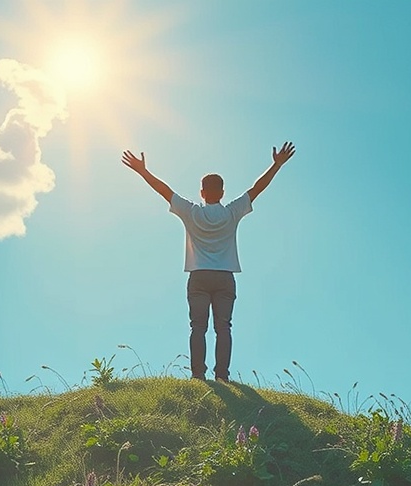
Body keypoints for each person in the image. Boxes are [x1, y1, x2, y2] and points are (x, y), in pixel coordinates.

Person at [121, 142, 296, 381]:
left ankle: (197, 376)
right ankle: (222, 376)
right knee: (223, 328)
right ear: (222, 193)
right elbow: (257, 189)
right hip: (225, 277)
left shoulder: (192, 212)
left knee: (198, 328)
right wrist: (276, 165)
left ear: (202, 192)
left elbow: (164, 190)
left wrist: (142, 171)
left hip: (199, 276)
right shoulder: (232, 212)